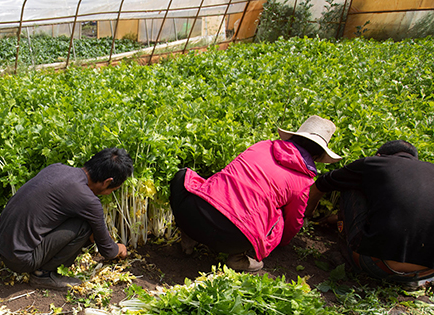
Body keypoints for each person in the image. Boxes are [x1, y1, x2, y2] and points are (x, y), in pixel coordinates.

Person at [170, 115, 341, 271]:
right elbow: (293, 222)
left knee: (183, 175)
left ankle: (188, 237)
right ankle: (238, 258)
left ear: (294, 137)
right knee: (279, 217)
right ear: (318, 157)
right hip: (235, 239)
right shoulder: (304, 181)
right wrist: (283, 242)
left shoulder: (263, 146)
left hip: (192, 213)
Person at [0, 147, 132, 289]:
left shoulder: (56, 168)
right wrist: (119, 248)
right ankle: (44, 275)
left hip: (2, 245)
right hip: (20, 260)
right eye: (112, 190)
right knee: (84, 225)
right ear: (107, 182)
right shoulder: (88, 200)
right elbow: (107, 250)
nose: (109, 193)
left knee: (82, 221)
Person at [305, 140, 434, 288]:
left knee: (350, 185)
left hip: (377, 264)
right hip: (426, 272)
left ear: (379, 155)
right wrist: (333, 220)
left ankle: (346, 254)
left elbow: (322, 183)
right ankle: (411, 280)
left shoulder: (375, 164)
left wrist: (307, 214)